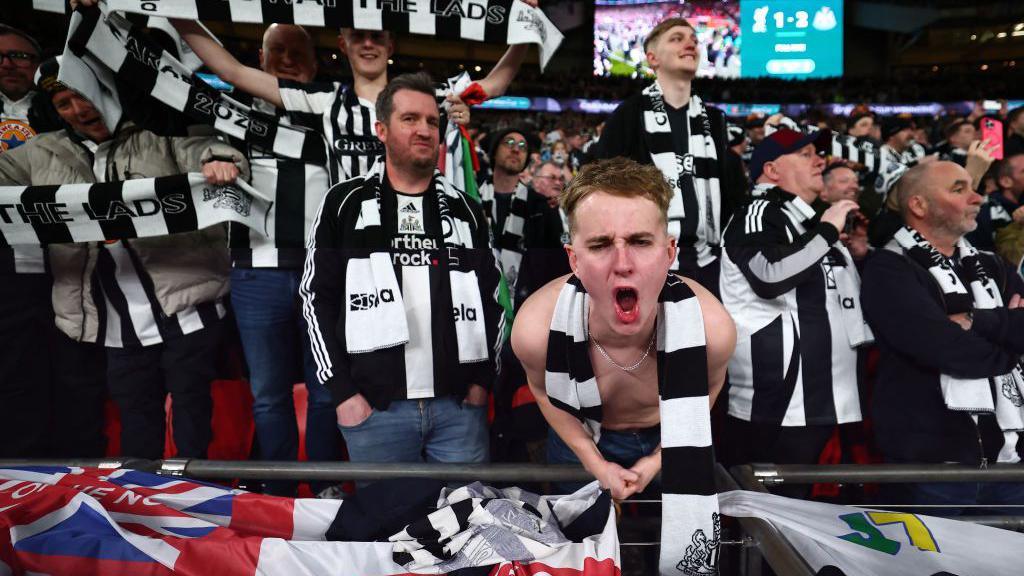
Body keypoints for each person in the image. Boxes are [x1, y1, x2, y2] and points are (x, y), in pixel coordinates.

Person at [0, 58, 249, 460]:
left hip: (186, 303)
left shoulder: (154, 135)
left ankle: (198, 495)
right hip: (110, 317)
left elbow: (209, 148)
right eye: (64, 103)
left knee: (192, 411)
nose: (80, 110)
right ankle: (141, 498)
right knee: (135, 412)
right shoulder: (41, 152)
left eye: (84, 95)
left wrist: (219, 160)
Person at [301, 73, 503, 468]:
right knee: (386, 527)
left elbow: (493, 298)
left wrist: (482, 384)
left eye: (432, 121)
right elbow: (315, 299)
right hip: (376, 411)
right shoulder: (343, 203)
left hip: (459, 411)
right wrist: (343, 394)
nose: (425, 130)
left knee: (467, 524)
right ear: (381, 129)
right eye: (410, 119)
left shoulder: (466, 208)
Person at [512, 157, 735, 500]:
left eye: (641, 242)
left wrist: (658, 459)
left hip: (673, 431)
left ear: (669, 252)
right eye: (601, 245)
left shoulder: (711, 327)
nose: (623, 265)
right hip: (579, 433)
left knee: (682, 543)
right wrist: (594, 461)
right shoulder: (536, 328)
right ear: (574, 259)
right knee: (579, 540)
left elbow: (708, 389)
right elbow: (544, 393)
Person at [168, 7, 530, 185]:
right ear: (344, 44)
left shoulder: (426, 96)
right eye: (359, 35)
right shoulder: (325, 100)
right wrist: (175, 11)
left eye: (376, 35)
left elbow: (494, 85)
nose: (368, 44)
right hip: (352, 246)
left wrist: (528, 29)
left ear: (391, 43)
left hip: (419, 240)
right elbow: (231, 72)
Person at [862, 161, 1024, 515]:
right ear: (919, 206)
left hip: (1010, 461)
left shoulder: (993, 265)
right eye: (958, 189)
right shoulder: (889, 268)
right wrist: (1008, 339)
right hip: (933, 466)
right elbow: (945, 348)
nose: (977, 197)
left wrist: (973, 321)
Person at [223, 24, 343, 496]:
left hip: (323, 271)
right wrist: (214, 151)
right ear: (261, 58)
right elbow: (196, 143)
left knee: (325, 390)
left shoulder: (332, 114)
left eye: (298, 53)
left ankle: (323, 486)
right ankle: (277, 491)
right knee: (267, 394)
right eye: (278, 51)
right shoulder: (232, 115)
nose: (288, 59)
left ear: (314, 65)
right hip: (255, 269)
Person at [718, 129, 873, 496]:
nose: (820, 160)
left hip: (822, 398)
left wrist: (859, 253)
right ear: (772, 169)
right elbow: (769, 276)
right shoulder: (759, 211)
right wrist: (828, 230)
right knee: (770, 519)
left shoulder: (806, 221)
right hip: (783, 403)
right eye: (805, 154)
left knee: (800, 513)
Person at [591, 17, 743, 295]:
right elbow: (604, 188)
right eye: (677, 38)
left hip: (710, 262)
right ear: (652, 58)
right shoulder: (629, 114)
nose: (691, 44)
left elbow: (730, 194)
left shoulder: (715, 120)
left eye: (694, 40)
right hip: (645, 263)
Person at [478, 127, 569, 463]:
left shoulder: (538, 207)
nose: (515, 150)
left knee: (516, 396)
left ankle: (517, 460)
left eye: (522, 146)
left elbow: (555, 270)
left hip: (521, 318)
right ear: (492, 150)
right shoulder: (468, 197)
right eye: (508, 143)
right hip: (476, 317)